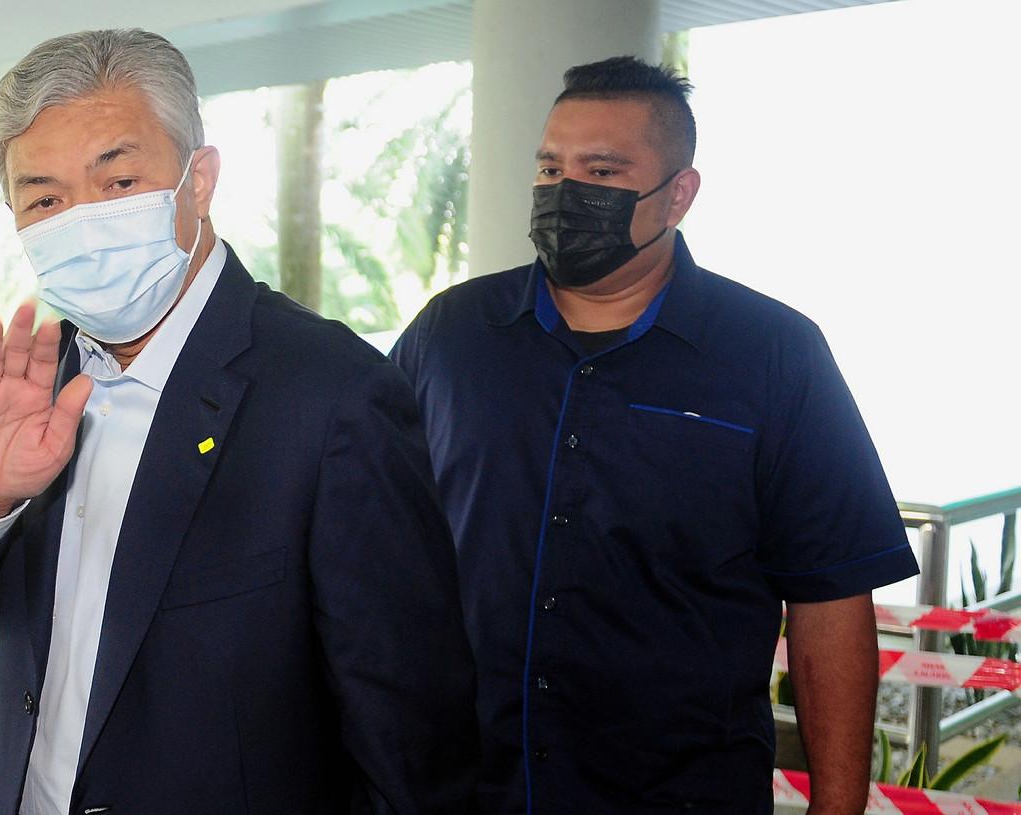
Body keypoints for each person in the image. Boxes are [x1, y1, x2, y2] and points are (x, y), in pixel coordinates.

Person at [0, 28, 478, 815]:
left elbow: (414, 750)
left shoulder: (333, 397)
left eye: (118, 180)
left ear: (199, 181)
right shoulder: (34, 380)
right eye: (45, 198)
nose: (82, 220)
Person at [390, 56, 919, 815]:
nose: (565, 193)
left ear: (678, 194)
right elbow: (368, 534)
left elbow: (830, 596)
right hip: (466, 788)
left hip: (679, 795)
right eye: (550, 167)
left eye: (602, 172)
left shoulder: (774, 354)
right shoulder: (450, 335)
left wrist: (838, 807)